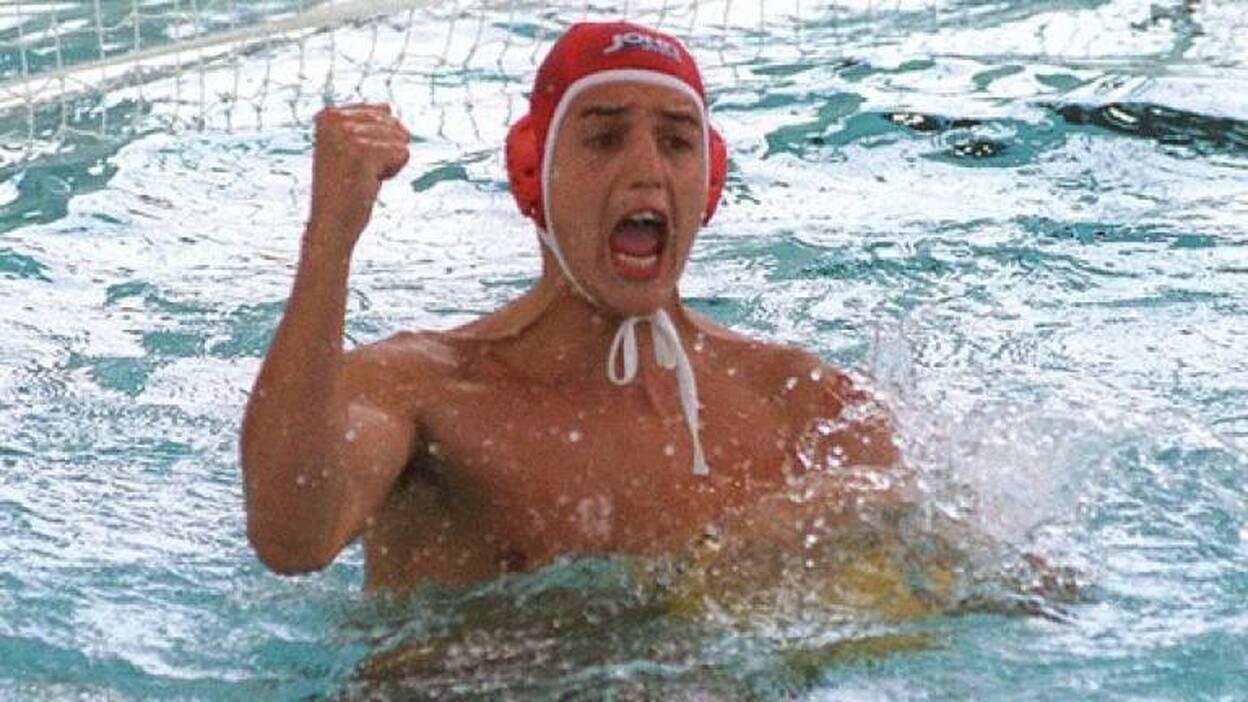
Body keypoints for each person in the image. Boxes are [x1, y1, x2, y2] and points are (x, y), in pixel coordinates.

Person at [240, 21, 899, 590]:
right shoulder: (422, 392)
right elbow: (291, 538)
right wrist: (331, 239)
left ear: (710, 179)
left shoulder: (800, 404)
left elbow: (932, 584)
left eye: (676, 142)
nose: (647, 171)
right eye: (605, 139)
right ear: (534, 170)